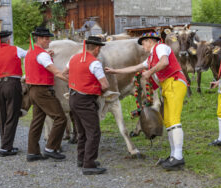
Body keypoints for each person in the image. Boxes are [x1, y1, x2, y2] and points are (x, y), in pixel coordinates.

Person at [105, 32, 188, 170]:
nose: (143, 47)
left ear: (150, 41)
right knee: (168, 121)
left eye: (143, 43)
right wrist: (115, 71)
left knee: (173, 120)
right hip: (168, 85)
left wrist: (150, 72)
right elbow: (135, 68)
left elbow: (164, 62)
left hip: (175, 82)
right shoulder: (150, 58)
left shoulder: (160, 48)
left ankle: (178, 157)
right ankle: (174, 155)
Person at [62, 36, 109, 175]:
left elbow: (65, 73)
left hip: (73, 97)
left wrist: (77, 83)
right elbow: (105, 85)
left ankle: (81, 159)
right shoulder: (94, 63)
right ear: (96, 48)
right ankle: (89, 164)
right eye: (99, 48)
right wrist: (98, 90)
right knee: (93, 132)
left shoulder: (73, 58)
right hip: (86, 100)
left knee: (81, 131)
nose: (99, 51)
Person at [24, 27, 68, 162]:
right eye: (46, 38)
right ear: (39, 39)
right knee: (61, 118)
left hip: (33, 90)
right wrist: (74, 81)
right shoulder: (42, 55)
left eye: (49, 38)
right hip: (43, 91)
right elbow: (57, 72)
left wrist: (46, 54)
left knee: (37, 122)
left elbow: (39, 62)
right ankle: (51, 148)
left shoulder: (31, 52)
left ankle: (33, 152)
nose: (49, 41)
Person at [0, 30, 27, 157]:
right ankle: (5, 148)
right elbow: (30, 55)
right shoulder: (15, 49)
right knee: (12, 114)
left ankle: (6, 144)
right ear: (8, 39)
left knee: (2, 114)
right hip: (12, 83)